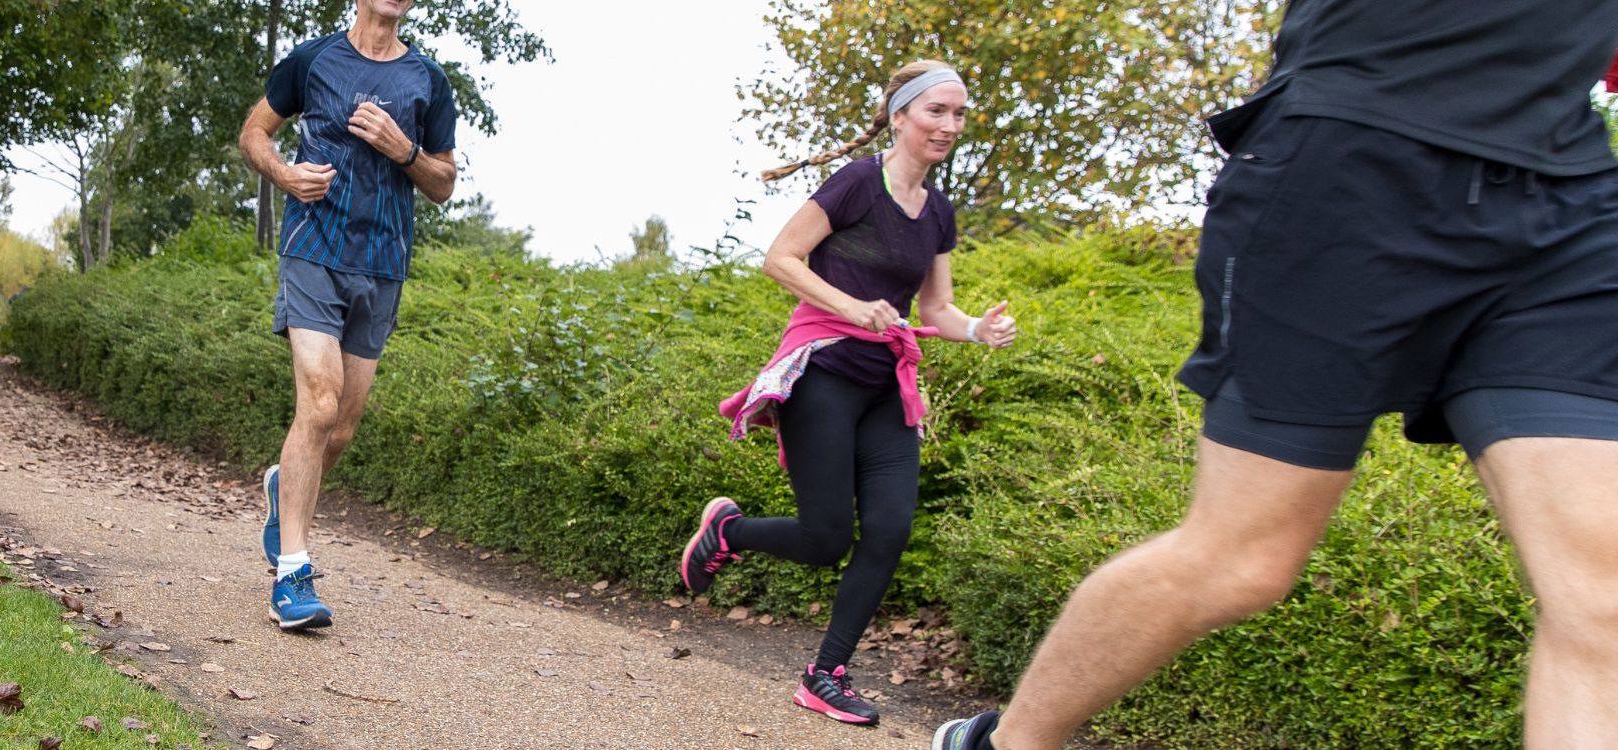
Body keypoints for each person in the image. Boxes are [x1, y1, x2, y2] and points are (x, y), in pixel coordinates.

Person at [932, 4, 1618, 749]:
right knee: (1244, 561)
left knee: (1603, 593)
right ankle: (1008, 744)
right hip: (1356, 170)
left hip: (1567, 202)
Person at [685, 59, 1019, 727]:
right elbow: (780, 257)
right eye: (936, 112)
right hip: (826, 375)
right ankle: (729, 529)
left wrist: (978, 329)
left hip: (887, 388)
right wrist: (854, 304)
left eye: (958, 115)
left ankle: (825, 673)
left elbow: (939, 308)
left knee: (891, 529)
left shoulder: (939, 213)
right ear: (900, 116)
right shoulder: (859, 183)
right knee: (826, 536)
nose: (949, 125)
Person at [236, 0, 458, 631]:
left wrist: (403, 147)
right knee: (321, 401)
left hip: (383, 263)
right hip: (312, 250)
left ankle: (286, 488)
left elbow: (443, 182)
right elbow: (255, 132)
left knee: (342, 428)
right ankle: (293, 572)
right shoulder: (312, 60)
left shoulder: (428, 81)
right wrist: (284, 175)